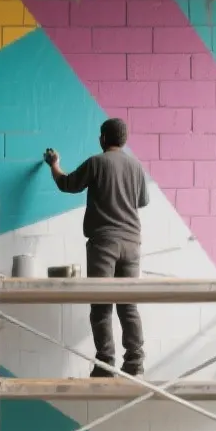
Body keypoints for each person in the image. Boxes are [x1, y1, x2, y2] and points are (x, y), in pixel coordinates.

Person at [43, 118, 149, 377]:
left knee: (101, 305)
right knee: (128, 305)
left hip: (104, 243)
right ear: (124, 140)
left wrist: (54, 164)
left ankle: (105, 363)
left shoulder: (96, 163)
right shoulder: (136, 166)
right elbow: (142, 201)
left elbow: (67, 184)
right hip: (132, 243)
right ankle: (135, 362)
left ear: (103, 138)